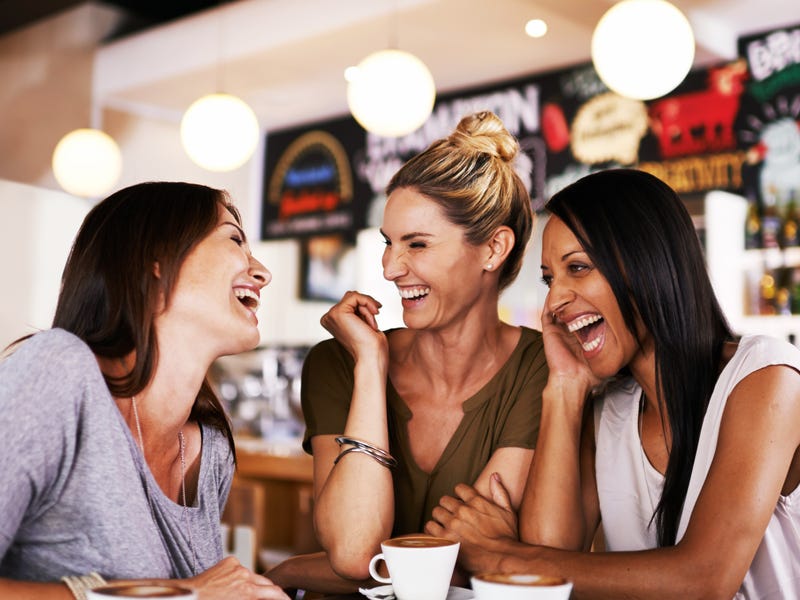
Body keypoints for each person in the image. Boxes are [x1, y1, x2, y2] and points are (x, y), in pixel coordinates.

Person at [426, 168, 800, 597]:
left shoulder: (766, 378)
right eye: (550, 279)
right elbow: (549, 561)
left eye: (578, 268)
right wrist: (565, 387)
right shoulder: (608, 410)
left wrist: (498, 555)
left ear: (649, 264)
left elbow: (703, 580)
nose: (555, 301)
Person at [267, 111, 549, 594]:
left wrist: (291, 571)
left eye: (416, 244)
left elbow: (473, 561)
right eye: (388, 243)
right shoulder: (339, 362)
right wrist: (371, 366)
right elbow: (356, 550)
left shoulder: (541, 368)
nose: (390, 268)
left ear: (493, 248)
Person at [0, 182, 289, 600]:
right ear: (157, 259)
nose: (262, 271)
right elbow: (189, 595)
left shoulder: (208, 449)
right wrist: (180, 594)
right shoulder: (59, 371)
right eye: (235, 239)